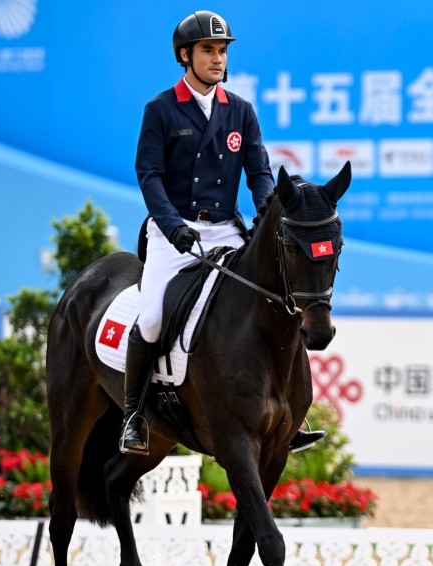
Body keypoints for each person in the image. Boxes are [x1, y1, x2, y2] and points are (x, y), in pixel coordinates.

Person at [121, 10, 324, 455]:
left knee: (274, 299)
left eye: (222, 50)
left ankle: (292, 412)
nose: (217, 58)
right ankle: (134, 414)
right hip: (173, 233)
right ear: (185, 55)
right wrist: (172, 226)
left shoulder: (242, 112)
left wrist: (271, 212)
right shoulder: (160, 109)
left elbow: (259, 173)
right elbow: (148, 175)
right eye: (209, 50)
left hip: (225, 232)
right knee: (153, 316)